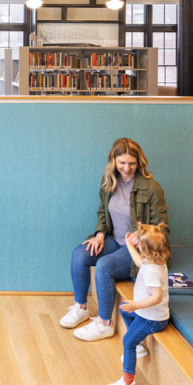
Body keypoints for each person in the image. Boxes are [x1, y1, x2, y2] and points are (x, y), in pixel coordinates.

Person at [59, 138, 170, 341]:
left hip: (139, 250)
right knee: (80, 254)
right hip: (114, 240)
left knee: (104, 266)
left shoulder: (152, 187)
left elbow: (164, 228)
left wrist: (143, 234)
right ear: (113, 161)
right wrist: (100, 234)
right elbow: (103, 211)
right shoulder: (109, 181)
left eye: (132, 163)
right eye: (122, 163)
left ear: (139, 162)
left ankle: (104, 324)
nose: (127, 168)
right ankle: (81, 307)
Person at [107, 223, 171, 385]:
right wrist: (129, 244)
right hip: (148, 313)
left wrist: (136, 305)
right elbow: (138, 262)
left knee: (128, 341)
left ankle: (128, 384)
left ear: (144, 248)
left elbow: (157, 297)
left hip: (152, 318)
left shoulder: (152, 270)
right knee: (124, 310)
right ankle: (140, 347)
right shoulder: (155, 261)